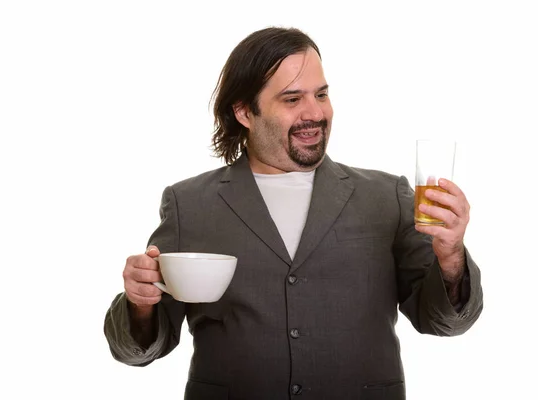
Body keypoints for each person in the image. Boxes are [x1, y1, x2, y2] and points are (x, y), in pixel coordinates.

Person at [103, 26, 483, 400]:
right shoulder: (189, 204)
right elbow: (139, 350)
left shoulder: (387, 196)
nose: (314, 112)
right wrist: (139, 303)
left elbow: (443, 322)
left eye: (321, 94)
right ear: (244, 112)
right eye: (291, 99)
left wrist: (451, 257)